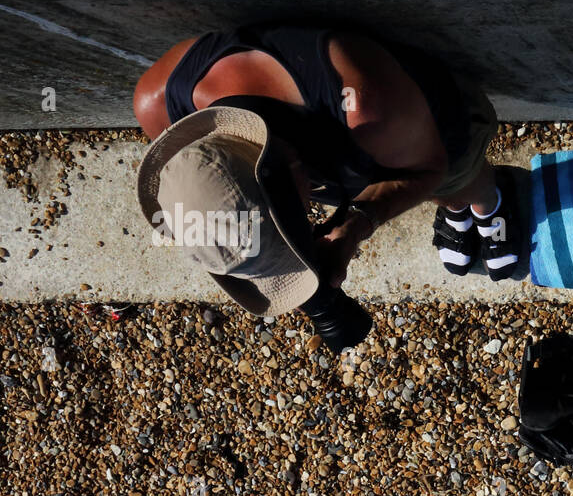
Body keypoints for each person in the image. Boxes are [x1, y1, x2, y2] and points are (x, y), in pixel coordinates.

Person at [132, 19, 519, 306]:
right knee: (412, 177)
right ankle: (458, 210)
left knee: (457, 181)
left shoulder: (370, 114)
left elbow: (429, 169)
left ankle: (489, 205)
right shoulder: (159, 105)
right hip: (367, 146)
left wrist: (360, 222)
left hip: (438, 123)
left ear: (298, 169)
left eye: (303, 219)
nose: (313, 218)